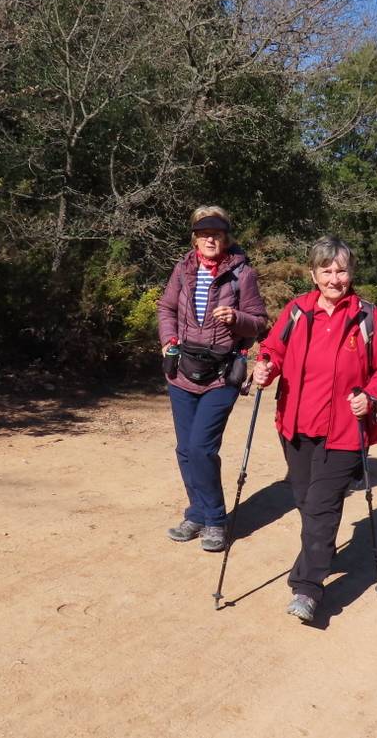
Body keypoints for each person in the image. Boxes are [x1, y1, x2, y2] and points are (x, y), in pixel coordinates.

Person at [252, 236, 377, 622]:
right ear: (313, 274)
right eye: (327, 270)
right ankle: (320, 552)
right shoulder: (297, 312)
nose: (335, 278)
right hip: (297, 426)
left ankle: (307, 588)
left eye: (341, 270)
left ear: (351, 274)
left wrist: (370, 395)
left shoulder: (367, 317)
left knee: (321, 506)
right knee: (306, 502)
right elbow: (273, 351)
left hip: (345, 431)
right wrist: (264, 367)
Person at [157, 206, 269, 552]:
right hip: (182, 370)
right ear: (195, 237)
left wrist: (236, 317)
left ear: (226, 237)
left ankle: (216, 520)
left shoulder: (242, 273)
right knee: (185, 450)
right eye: (204, 233)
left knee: (202, 448)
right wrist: (168, 340)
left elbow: (259, 322)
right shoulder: (183, 270)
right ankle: (196, 513)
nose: (210, 238)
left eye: (216, 233)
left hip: (222, 374)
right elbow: (167, 309)